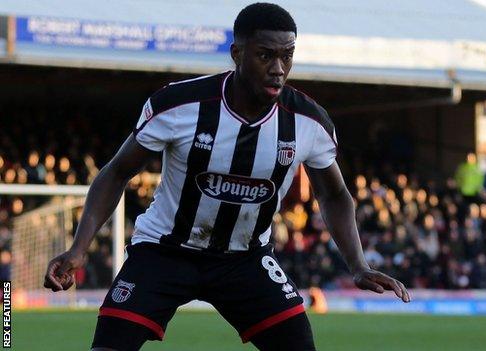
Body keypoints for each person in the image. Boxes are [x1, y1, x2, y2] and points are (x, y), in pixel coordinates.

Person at [42, 3, 409, 351]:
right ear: (237, 53)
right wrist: (78, 249)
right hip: (164, 251)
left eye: (287, 55)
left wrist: (358, 264)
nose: (278, 68)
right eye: (266, 55)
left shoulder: (308, 122)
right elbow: (117, 172)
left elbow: (334, 194)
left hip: (245, 259)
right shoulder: (180, 105)